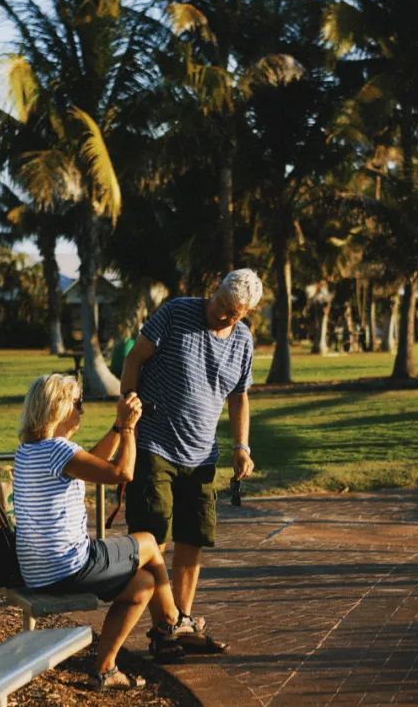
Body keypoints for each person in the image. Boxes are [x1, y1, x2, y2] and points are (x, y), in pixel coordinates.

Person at [119, 268, 263, 653]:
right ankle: (164, 629)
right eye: (221, 308)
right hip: (154, 445)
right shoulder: (176, 312)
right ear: (213, 290)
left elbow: (238, 397)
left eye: (234, 315)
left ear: (246, 313)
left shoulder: (243, 340)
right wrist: (127, 404)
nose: (224, 318)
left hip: (201, 455)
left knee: (192, 539)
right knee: (153, 538)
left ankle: (181, 622)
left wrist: (242, 446)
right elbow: (135, 358)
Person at [13, 374, 184, 691]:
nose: (82, 410)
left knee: (144, 583)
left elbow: (89, 462)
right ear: (59, 408)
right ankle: (172, 621)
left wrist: (117, 428)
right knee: (148, 541)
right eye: (78, 403)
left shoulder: (30, 450)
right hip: (69, 567)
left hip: (38, 571)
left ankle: (104, 669)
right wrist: (130, 427)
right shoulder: (59, 452)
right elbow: (123, 472)